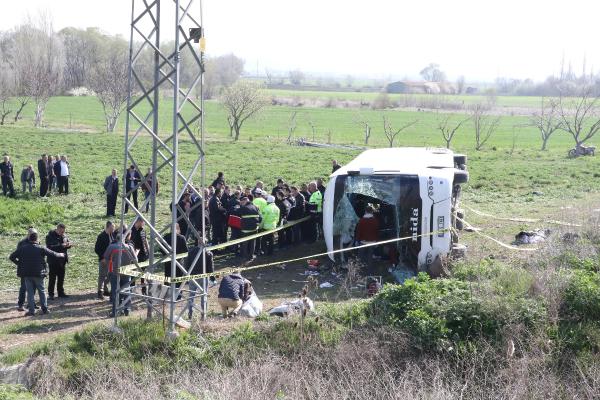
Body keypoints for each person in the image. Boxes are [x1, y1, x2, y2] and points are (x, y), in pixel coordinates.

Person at [9, 229, 65, 316]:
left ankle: (31, 311)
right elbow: (53, 253)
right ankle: (45, 309)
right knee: (42, 291)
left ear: (29, 238)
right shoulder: (40, 248)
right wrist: (61, 254)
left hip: (27, 274)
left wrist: (20, 264)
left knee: (30, 292)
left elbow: (11, 257)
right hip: (39, 273)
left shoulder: (22, 248)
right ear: (36, 239)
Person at [103, 230, 137, 317]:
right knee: (126, 292)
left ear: (116, 238)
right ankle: (127, 310)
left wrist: (110, 267)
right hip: (126, 272)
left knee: (115, 292)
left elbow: (105, 258)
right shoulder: (129, 247)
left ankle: (115, 311)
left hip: (115, 272)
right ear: (124, 238)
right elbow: (136, 260)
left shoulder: (112, 247)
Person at [45, 223, 72, 299]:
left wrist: (68, 245)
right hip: (53, 261)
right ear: (58, 229)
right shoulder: (49, 236)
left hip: (62, 260)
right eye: (61, 231)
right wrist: (61, 245)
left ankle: (60, 292)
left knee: (61, 277)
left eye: (63, 231)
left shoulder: (64, 236)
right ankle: (51, 294)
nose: (62, 233)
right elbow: (49, 248)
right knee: (52, 278)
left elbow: (66, 244)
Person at [355, 205, 380, 272]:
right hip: (372, 242)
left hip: (363, 242)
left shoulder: (361, 220)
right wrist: (377, 241)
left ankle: (358, 270)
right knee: (370, 258)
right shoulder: (375, 221)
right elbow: (377, 232)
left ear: (365, 211)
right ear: (372, 211)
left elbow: (358, 231)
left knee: (360, 257)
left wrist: (357, 240)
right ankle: (369, 271)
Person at [94, 221, 115, 299]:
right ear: (108, 227)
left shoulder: (113, 235)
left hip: (112, 260)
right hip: (104, 259)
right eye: (113, 227)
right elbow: (97, 249)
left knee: (110, 275)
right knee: (102, 276)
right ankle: (100, 292)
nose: (114, 228)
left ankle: (105, 289)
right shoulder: (101, 236)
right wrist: (102, 258)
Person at [238, 196, 261, 261]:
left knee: (245, 242)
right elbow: (260, 218)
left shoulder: (244, 208)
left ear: (245, 201)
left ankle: (244, 256)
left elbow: (236, 212)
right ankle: (251, 256)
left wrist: (238, 207)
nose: (242, 203)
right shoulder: (256, 207)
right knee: (253, 242)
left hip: (246, 229)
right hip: (254, 228)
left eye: (242, 202)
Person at [131, 218, 149, 295]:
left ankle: (143, 289)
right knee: (133, 272)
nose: (143, 223)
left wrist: (148, 250)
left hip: (143, 254)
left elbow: (145, 240)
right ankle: (132, 289)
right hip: (134, 255)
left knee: (143, 272)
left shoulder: (143, 230)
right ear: (138, 222)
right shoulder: (131, 230)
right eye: (142, 222)